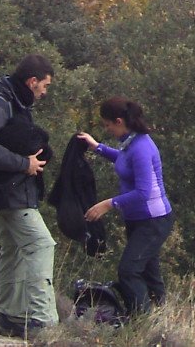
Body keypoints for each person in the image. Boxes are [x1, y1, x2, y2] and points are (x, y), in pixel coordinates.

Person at [0, 53, 59, 338]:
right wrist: (25, 164)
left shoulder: (10, 97)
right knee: (42, 245)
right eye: (44, 86)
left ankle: (11, 317)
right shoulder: (1, 101)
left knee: (14, 252)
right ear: (32, 81)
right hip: (10, 190)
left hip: (6, 190)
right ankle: (42, 322)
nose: (44, 92)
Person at [77, 98, 174, 319]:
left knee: (129, 271)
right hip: (137, 221)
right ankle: (162, 320)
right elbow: (122, 160)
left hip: (153, 221)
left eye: (107, 124)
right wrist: (97, 147)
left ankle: (142, 324)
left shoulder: (141, 147)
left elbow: (143, 192)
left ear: (119, 121)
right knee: (150, 272)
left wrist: (108, 204)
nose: (107, 129)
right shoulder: (130, 142)